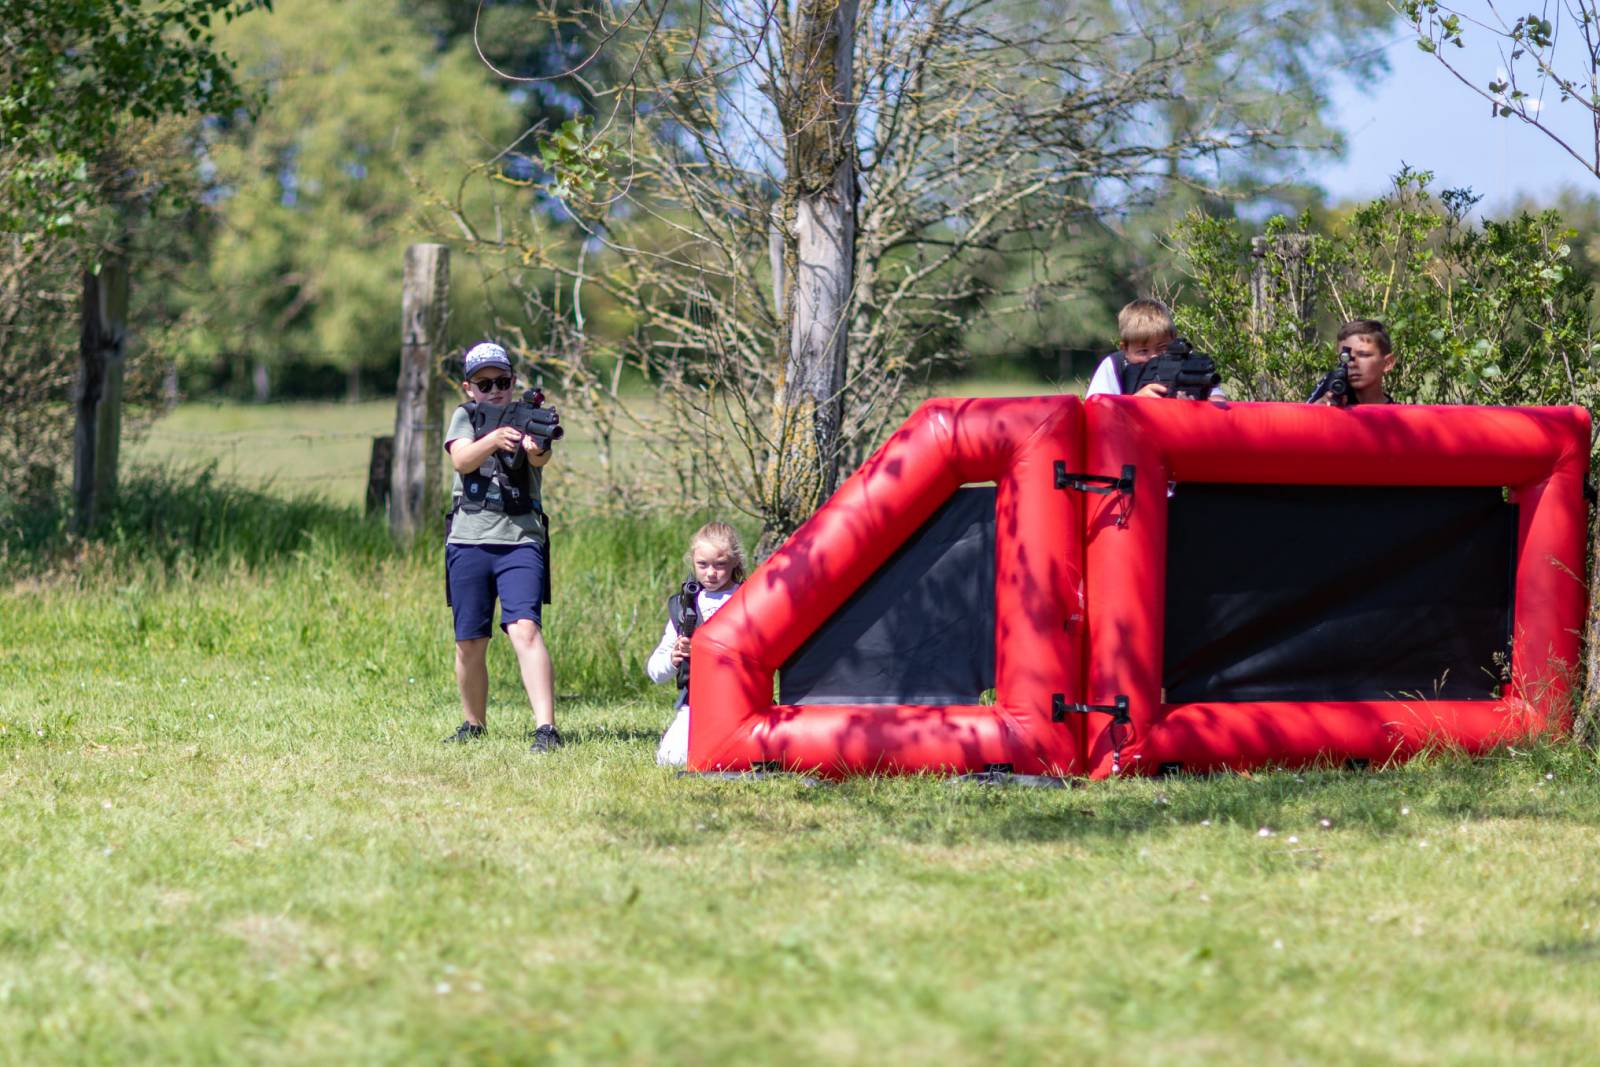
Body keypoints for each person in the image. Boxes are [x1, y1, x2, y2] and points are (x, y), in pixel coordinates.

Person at [441, 341, 561, 752]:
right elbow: (461, 460)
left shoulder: (527, 416)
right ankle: (473, 725)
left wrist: (536, 445)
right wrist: (494, 438)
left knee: (524, 628)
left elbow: (540, 459)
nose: (495, 390)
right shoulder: (464, 417)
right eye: (485, 383)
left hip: (521, 540)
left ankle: (546, 729)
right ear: (469, 387)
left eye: (503, 381)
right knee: (469, 639)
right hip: (468, 540)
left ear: (514, 381)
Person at [646, 522, 747, 766]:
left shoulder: (748, 599)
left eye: (720, 565)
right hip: (696, 702)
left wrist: (705, 649)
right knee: (670, 760)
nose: (711, 573)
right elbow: (655, 672)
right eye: (703, 565)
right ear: (692, 561)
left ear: (735, 562)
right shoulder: (685, 607)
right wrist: (674, 657)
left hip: (740, 701)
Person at [1084, 297, 1226, 400]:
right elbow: (1098, 410)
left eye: (1162, 348)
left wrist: (1196, 404)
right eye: (1143, 351)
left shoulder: (1188, 365)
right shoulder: (1115, 366)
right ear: (1125, 349)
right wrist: (1135, 401)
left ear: (1174, 340)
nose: (1154, 357)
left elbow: (1218, 402)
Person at [1314, 318, 1397, 406]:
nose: (1351, 363)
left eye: (1363, 355)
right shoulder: (1329, 404)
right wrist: (1318, 413)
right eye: (1345, 357)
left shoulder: (1401, 416)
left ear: (1388, 363)